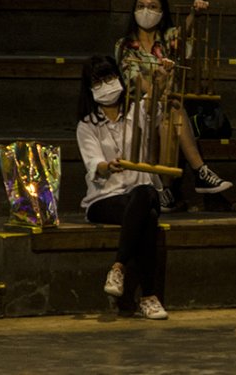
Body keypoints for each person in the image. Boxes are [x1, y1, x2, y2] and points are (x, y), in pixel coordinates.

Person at [115, 0, 232, 211]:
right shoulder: (125, 45)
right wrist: (157, 90)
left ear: (161, 12)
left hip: (166, 104)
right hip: (140, 106)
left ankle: (166, 190)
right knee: (171, 106)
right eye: (141, 6)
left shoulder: (166, 39)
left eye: (152, 6)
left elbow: (184, 33)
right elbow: (135, 81)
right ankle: (200, 171)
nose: (146, 11)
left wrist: (194, 14)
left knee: (171, 111)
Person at [76, 55, 168, 320]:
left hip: (139, 192)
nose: (106, 85)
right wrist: (108, 165)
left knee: (145, 194)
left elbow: (154, 100)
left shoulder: (136, 111)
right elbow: (94, 163)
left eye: (109, 77)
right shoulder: (87, 125)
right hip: (104, 199)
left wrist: (160, 78)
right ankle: (149, 296)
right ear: (90, 88)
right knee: (147, 215)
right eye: (98, 81)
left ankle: (118, 267)